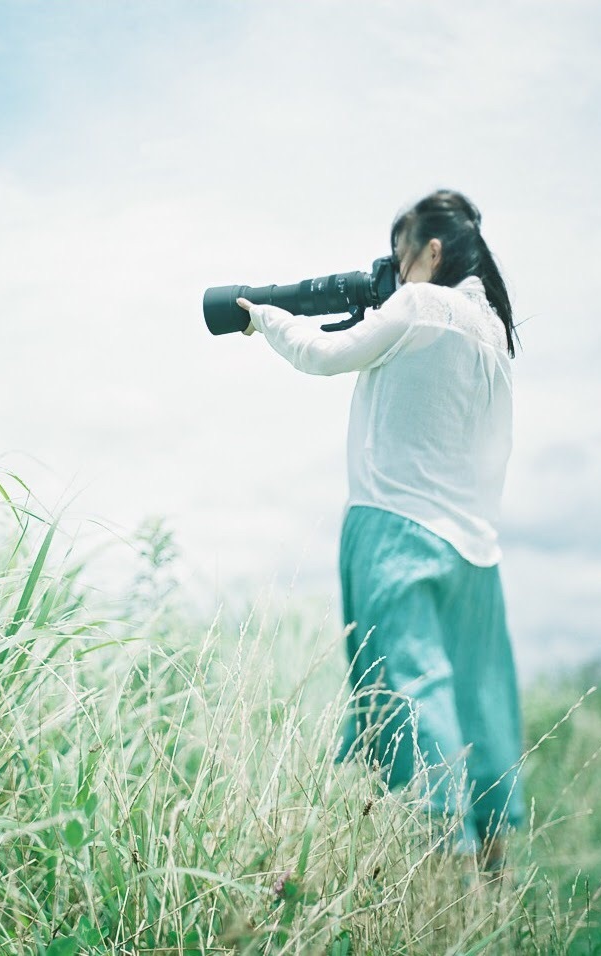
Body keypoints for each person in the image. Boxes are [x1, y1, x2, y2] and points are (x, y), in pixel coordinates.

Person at [237, 189, 523, 868]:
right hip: (475, 553)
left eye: (404, 253)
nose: (396, 270)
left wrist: (265, 317)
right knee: (479, 702)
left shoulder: (423, 304)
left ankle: (439, 878)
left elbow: (323, 356)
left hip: (395, 530)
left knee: (412, 694)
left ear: (431, 251)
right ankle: (490, 883)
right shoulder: (495, 333)